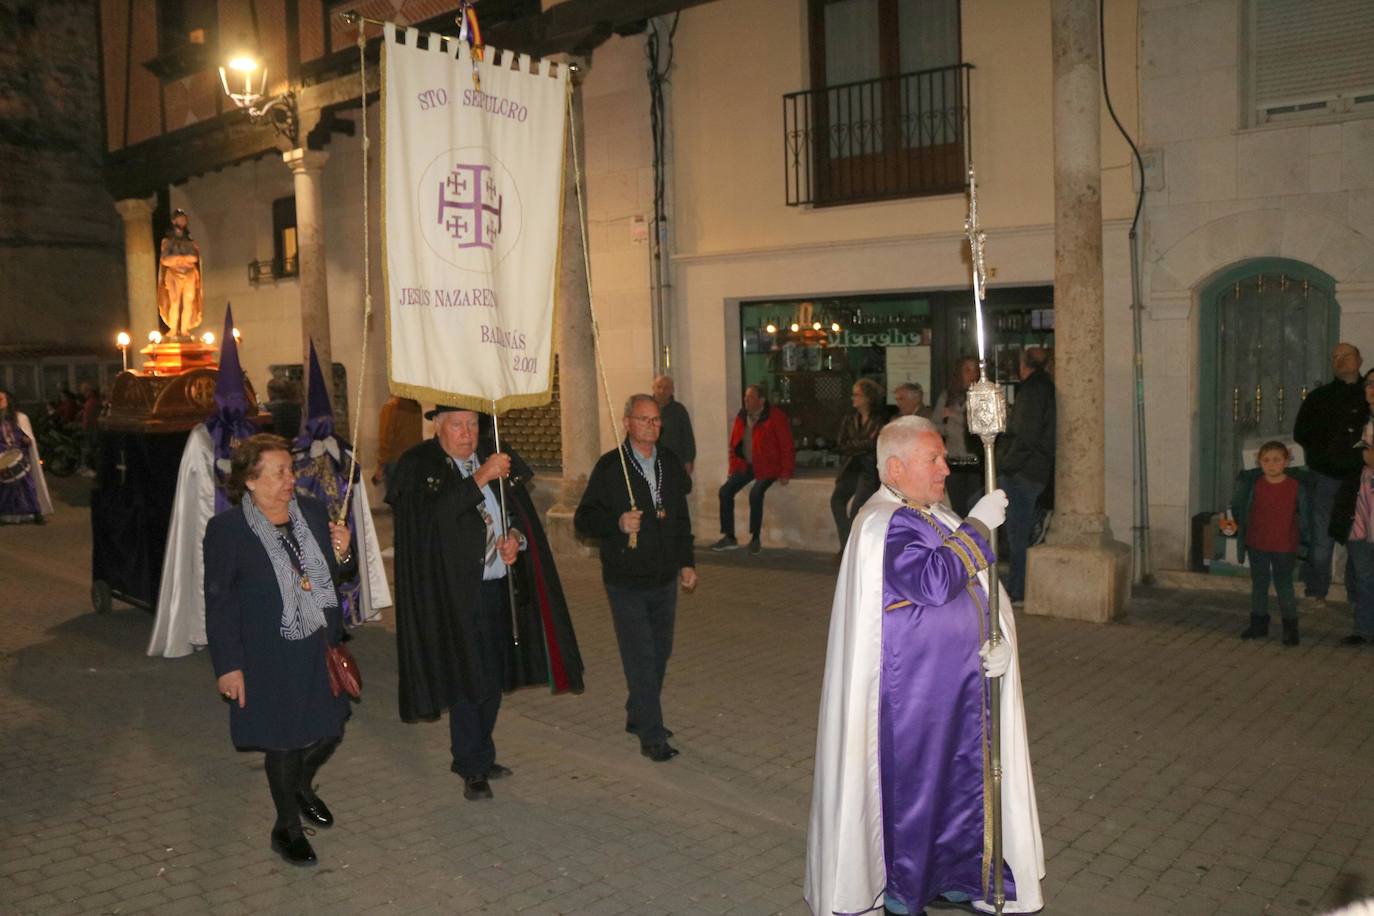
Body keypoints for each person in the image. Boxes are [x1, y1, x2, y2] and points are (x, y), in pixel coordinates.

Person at [805, 416, 1043, 916]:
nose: (945, 470)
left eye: (942, 457)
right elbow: (933, 581)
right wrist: (978, 526)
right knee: (919, 795)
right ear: (895, 467)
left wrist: (997, 641)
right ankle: (904, 891)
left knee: (961, 789)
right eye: (932, 459)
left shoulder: (932, 513)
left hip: (958, 688)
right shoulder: (884, 523)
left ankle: (957, 876)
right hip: (911, 698)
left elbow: (977, 589)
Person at [388, 406, 584, 801]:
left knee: (494, 677)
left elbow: (516, 517)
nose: (467, 433)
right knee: (468, 678)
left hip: (499, 589)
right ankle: (470, 764)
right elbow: (436, 520)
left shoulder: (495, 461)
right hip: (454, 597)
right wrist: (480, 477)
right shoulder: (423, 467)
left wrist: (516, 540)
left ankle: (482, 753)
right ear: (438, 428)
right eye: (458, 425)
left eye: (473, 424)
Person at [204, 433, 356, 867]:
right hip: (266, 654)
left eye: (290, 469)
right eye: (279, 472)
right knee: (283, 743)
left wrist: (343, 555)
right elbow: (219, 603)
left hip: (317, 645)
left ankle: (301, 785)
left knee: (331, 728)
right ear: (250, 481)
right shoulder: (227, 531)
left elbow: (335, 577)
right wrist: (229, 666)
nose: (291, 479)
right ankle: (285, 827)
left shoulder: (309, 511)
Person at [575, 394, 696, 763]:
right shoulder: (612, 467)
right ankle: (651, 734)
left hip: (663, 578)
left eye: (656, 420)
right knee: (640, 657)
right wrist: (617, 523)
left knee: (660, 653)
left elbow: (679, 519)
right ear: (627, 422)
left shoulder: (670, 464)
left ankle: (639, 713)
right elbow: (583, 520)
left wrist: (687, 562)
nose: (652, 426)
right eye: (644, 420)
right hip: (625, 580)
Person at [291, 342, 392, 627]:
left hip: (339, 519)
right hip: (311, 521)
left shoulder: (342, 452)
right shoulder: (297, 457)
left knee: (344, 559)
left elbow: (353, 477)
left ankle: (347, 610)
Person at [1293, 342, 1366, 605]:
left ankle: (1358, 596)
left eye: (1346, 355)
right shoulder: (1319, 397)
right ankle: (1316, 591)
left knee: (1358, 542)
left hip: (1360, 480)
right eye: (1335, 356)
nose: (1339, 360)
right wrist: (1325, 455)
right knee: (1321, 537)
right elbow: (1301, 433)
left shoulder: (1368, 395)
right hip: (1325, 476)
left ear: (1359, 359)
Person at [1226, 441, 1309, 646]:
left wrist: (1305, 542)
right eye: (1266, 460)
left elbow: (1305, 515)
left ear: (1287, 461)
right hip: (1258, 542)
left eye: (1277, 460)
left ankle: (1290, 628)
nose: (1271, 465)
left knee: (1284, 585)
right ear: (1258, 462)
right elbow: (1238, 506)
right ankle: (1258, 624)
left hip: (1284, 544)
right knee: (1259, 583)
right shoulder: (1253, 484)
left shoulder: (1295, 486)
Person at [996, 348, 1056, 603]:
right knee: (1020, 530)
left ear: (1023, 365)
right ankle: (1017, 585)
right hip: (1031, 469)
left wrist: (1007, 464)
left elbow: (1026, 434)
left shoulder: (1033, 390)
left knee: (1017, 533)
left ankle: (1017, 587)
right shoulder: (1044, 387)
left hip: (1024, 471)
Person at [712, 384, 794, 555]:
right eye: (745, 397)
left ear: (761, 400)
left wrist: (786, 472)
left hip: (768, 466)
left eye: (750, 397)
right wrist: (733, 467)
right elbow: (734, 445)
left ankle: (755, 538)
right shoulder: (742, 417)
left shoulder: (775, 417)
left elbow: (786, 446)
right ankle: (729, 536)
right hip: (746, 465)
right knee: (725, 492)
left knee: (755, 493)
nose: (746, 400)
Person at [1336, 369, 1374, 647]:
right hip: (1358, 505)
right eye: (1369, 383)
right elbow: (1335, 454)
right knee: (1362, 572)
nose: (1372, 388)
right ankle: (1363, 629)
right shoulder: (1353, 419)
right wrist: (1362, 455)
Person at [830, 378, 886, 548]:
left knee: (857, 510)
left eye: (857, 395)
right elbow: (841, 444)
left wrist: (855, 445)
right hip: (851, 467)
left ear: (868, 398)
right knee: (836, 500)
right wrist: (861, 445)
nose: (853, 398)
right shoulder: (850, 419)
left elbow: (874, 444)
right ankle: (847, 546)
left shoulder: (879, 420)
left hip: (869, 470)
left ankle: (851, 549)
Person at [935, 356, 984, 516]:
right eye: (967, 370)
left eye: (975, 370)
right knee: (957, 508)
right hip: (954, 459)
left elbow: (980, 424)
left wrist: (955, 416)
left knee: (975, 506)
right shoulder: (948, 396)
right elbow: (935, 424)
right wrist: (949, 429)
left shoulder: (982, 395)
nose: (972, 375)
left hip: (976, 460)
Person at [0, 389, 53, 524]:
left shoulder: (19, 418)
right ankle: (4, 515)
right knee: (6, 489)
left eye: (1, 399)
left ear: (8, 401)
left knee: (29, 486)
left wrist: (26, 440)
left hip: (21, 457)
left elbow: (24, 435)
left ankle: (36, 513)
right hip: (3, 458)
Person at [158, 208, 203, 338]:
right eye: (180, 218)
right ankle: (173, 329)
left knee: (189, 301)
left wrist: (178, 258)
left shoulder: (190, 242)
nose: (183, 221)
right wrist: (183, 259)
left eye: (184, 219)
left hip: (189, 274)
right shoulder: (168, 241)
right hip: (174, 274)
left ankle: (184, 330)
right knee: (175, 301)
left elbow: (194, 258)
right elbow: (165, 259)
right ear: (174, 221)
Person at [371, 394, 422, 501]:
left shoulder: (391, 407)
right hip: (415, 461)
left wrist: (380, 465)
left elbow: (385, 438)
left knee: (397, 503)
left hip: (395, 461)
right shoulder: (416, 406)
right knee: (411, 503)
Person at [653, 374, 696, 475]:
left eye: (666, 388)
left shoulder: (679, 410)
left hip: (675, 461)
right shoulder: (645, 408)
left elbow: (687, 436)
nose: (662, 391)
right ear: (653, 388)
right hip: (650, 460)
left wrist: (689, 460)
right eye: (659, 387)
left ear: (672, 390)